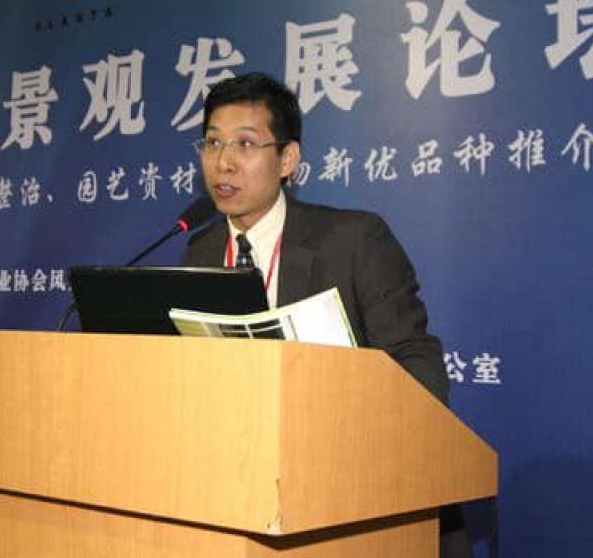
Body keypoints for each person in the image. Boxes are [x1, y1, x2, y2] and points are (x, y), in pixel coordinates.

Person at [184, 72, 472, 557]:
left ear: (287, 160)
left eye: (245, 144)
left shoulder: (354, 239)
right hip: (241, 489)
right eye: (212, 143)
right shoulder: (202, 251)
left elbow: (416, 365)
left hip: (356, 490)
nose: (223, 161)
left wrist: (360, 443)